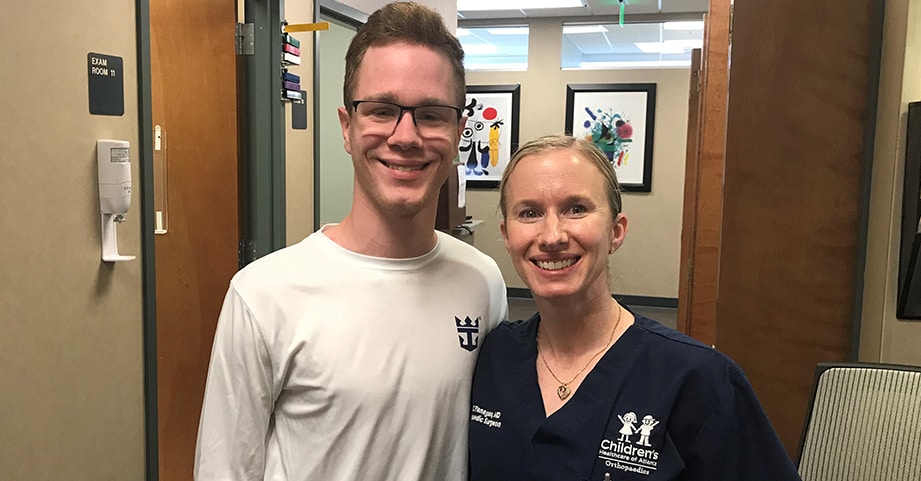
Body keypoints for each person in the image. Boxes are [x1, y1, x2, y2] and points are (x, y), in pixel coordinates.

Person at [194, 3, 508, 480]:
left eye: (431, 114)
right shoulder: (263, 294)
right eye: (382, 110)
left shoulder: (482, 282)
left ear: (459, 130)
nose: (406, 136)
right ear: (346, 127)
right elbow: (225, 469)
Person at [468, 134, 801, 481]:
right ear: (507, 235)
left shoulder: (697, 380)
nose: (552, 236)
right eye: (530, 213)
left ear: (616, 230)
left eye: (576, 209)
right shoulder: (493, 357)